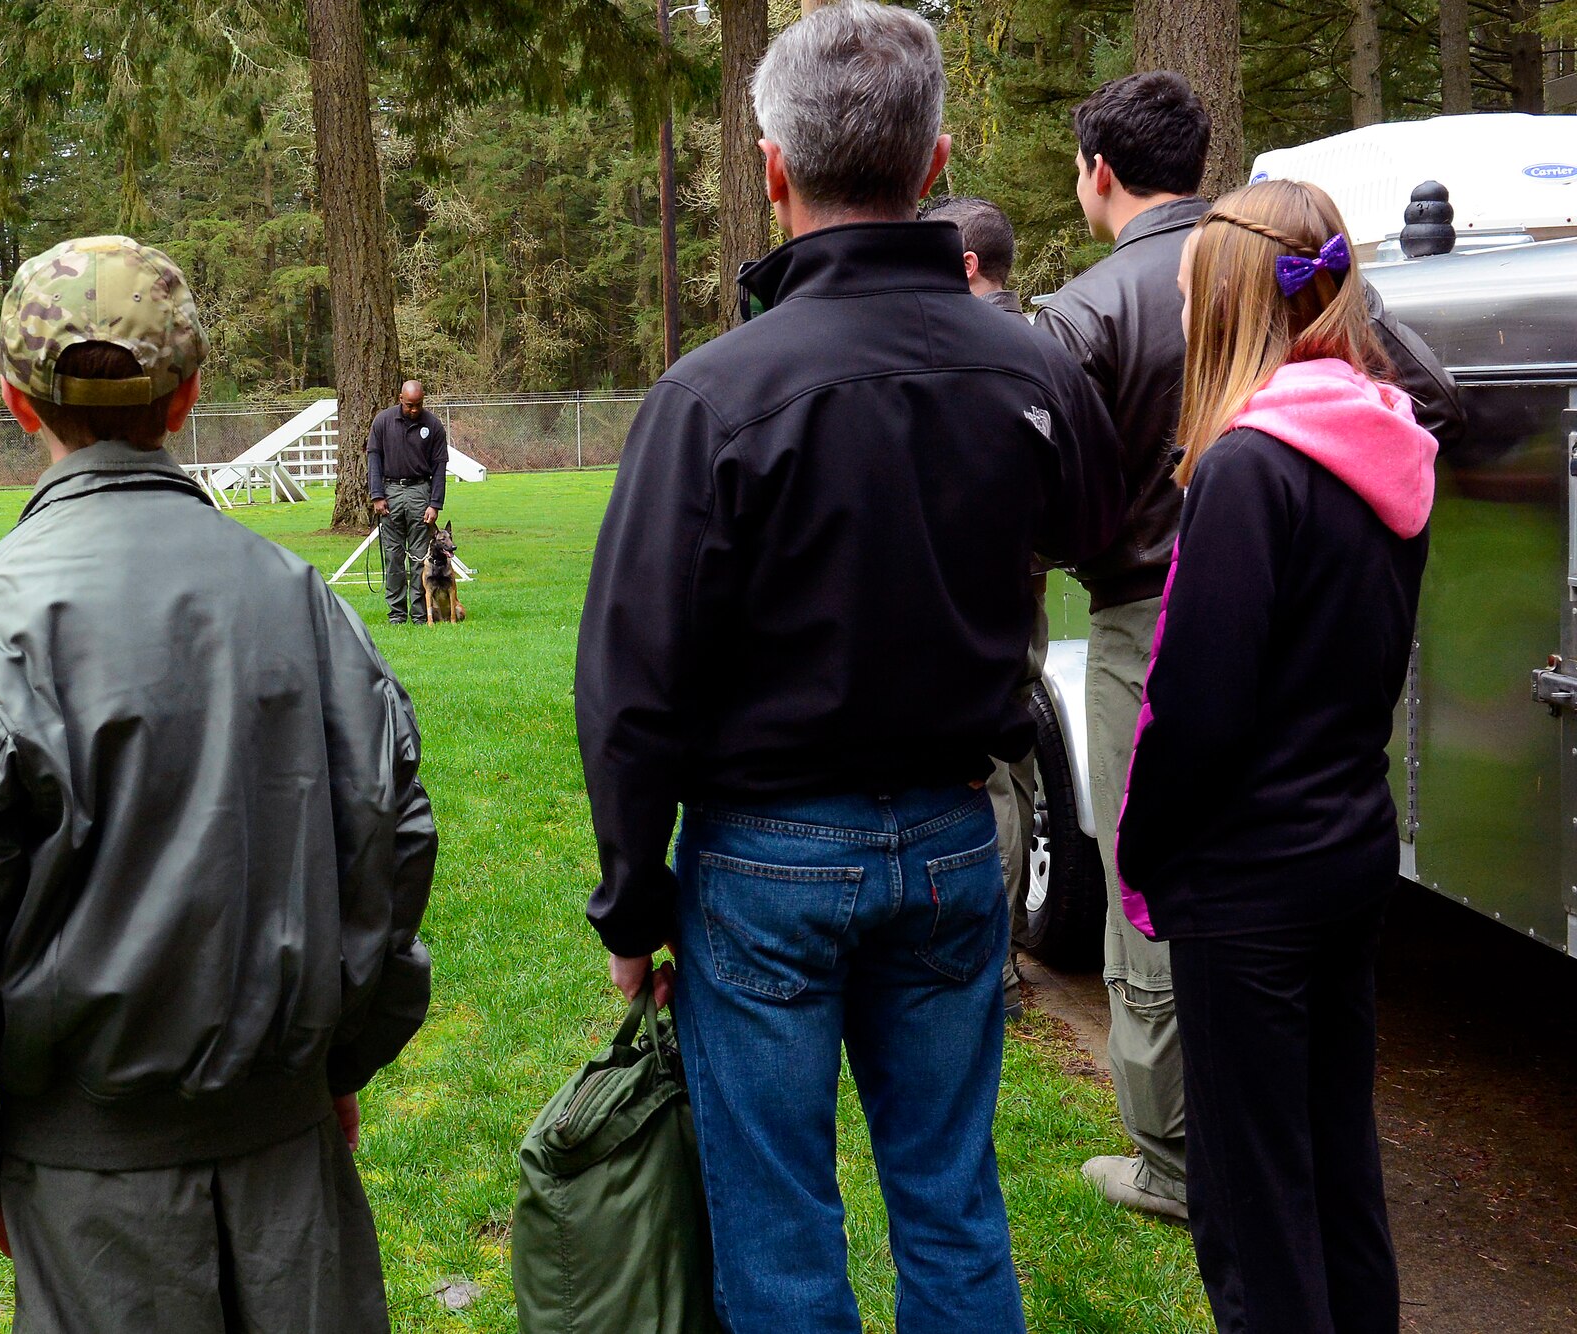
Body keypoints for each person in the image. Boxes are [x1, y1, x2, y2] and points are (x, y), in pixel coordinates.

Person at [575, 5, 1125, 1329]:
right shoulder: (1029, 370)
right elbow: (1102, 531)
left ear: (775, 170)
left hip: (773, 860)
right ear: (934, 162)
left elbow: (633, 685)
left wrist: (631, 904)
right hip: (948, 842)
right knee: (948, 1196)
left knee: (779, 1222)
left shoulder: (714, 396)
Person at [0, 235, 435, 1331]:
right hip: (273, 1157)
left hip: (99, 1184)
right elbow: (389, 848)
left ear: (15, 405)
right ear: (189, 395)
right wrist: (328, 1057)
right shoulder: (302, 602)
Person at [1035, 71, 1463, 1221]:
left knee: (1149, 885)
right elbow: (1430, 395)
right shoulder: (1291, 274)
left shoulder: (1090, 316)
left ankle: (1173, 1153)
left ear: (1097, 172)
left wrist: (1113, 530)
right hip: (1330, 692)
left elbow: (1045, 504)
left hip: (1158, 617)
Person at [1118, 179, 1434, 1333]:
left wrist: (1142, 845)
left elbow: (1197, 706)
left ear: (1227, 304)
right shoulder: (1385, 436)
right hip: (1344, 849)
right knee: (1335, 1163)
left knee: (1252, 1202)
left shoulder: (1254, 465)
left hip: (1247, 881)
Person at [924, 193, 1046, 1021]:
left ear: (967, 266)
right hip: (1023, 585)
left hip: (979, 587)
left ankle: (993, 956)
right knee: (1018, 770)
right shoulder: (1042, 346)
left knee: (994, 777)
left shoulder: (976, 349)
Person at [367, 379, 450, 624]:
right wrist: (377, 495)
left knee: (418, 557)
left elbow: (440, 467)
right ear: (400, 398)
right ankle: (397, 614)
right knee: (393, 556)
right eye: (410, 405)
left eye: (418, 405)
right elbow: (374, 459)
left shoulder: (433, 425)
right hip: (390, 491)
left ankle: (420, 613)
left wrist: (435, 503)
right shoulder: (383, 421)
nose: (414, 410)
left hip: (419, 492)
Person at [924, 194, 1026, 314]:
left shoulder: (956, 331)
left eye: (929, 263)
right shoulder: (1031, 330)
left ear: (966, 266)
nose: (923, 276)